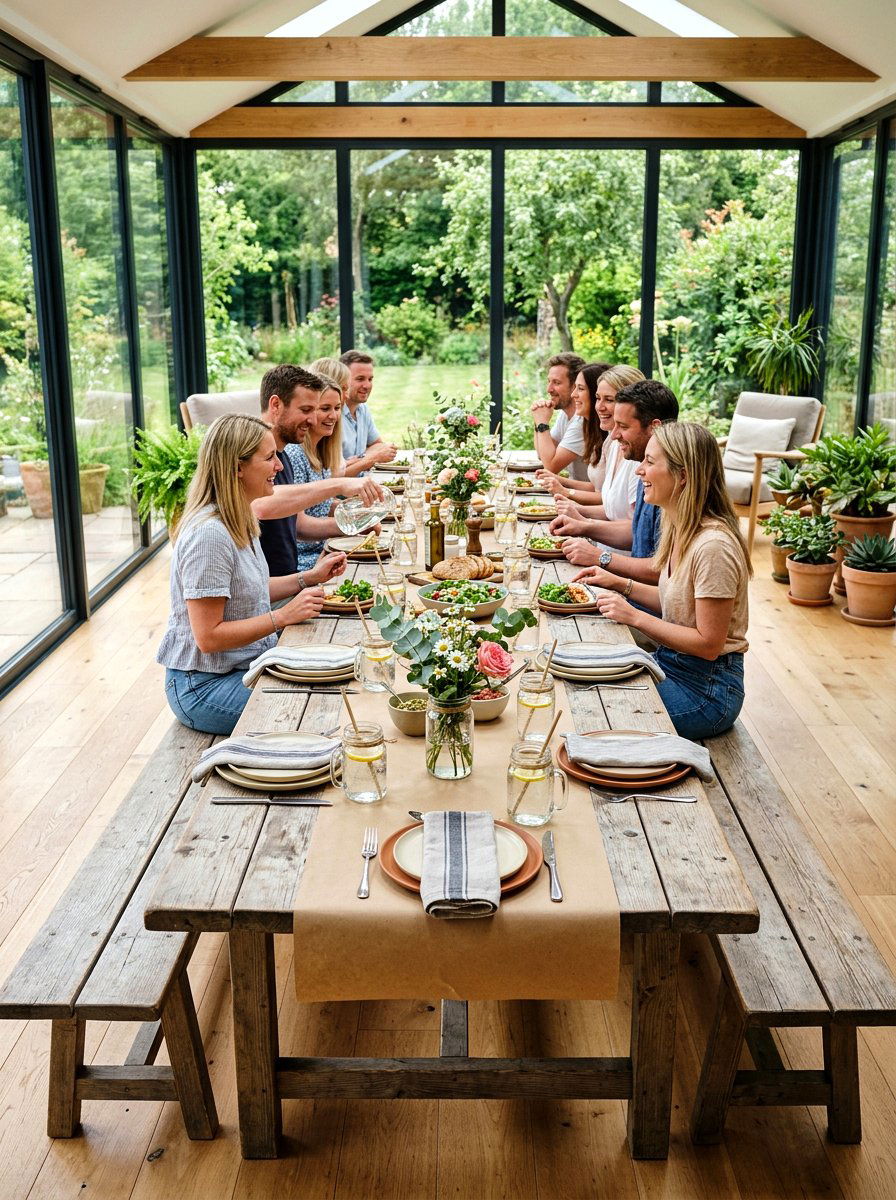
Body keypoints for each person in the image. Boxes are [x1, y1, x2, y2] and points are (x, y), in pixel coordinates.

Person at [158, 414, 342, 736]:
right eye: (269, 458)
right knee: (315, 710)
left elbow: (250, 590)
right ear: (237, 468)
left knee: (331, 687)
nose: (280, 467)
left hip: (242, 667)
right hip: (204, 686)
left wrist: (309, 578)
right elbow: (208, 636)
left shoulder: (238, 516)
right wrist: (282, 617)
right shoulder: (210, 535)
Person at [582, 421, 751, 740]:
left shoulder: (714, 546)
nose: (638, 471)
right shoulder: (681, 527)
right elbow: (680, 603)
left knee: (601, 712)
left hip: (706, 694)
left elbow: (709, 644)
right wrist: (619, 584)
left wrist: (633, 615)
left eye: (650, 462)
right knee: (589, 689)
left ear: (683, 475)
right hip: (668, 665)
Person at [254, 363, 382, 580]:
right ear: (275, 404)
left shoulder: (281, 453)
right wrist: (340, 487)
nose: (313, 420)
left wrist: (356, 519)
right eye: (307, 410)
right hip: (279, 583)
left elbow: (297, 519)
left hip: (289, 576)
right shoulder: (259, 454)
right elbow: (262, 506)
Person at [554, 376, 677, 575]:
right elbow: (638, 535)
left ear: (655, 427)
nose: (613, 435)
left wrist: (599, 556)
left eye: (624, 426)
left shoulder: (669, 482)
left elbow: (663, 573)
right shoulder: (644, 468)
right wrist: (582, 525)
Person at [538, 363, 639, 506]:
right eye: (599, 398)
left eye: (580, 388)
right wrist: (559, 482)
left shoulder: (627, 445)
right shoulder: (610, 439)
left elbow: (550, 464)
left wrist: (541, 422)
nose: (574, 395)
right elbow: (605, 491)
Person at [285, 378, 350, 572]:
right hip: (305, 562)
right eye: (325, 408)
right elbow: (298, 524)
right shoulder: (295, 454)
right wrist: (351, 526)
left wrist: (360, 511)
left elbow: (320, 506)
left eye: (337, 408)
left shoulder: (320, 450)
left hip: (325, 549)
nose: (333, 416)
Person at [530, 352, 589, 481]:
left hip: (587, 498)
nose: (549, 389)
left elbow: (551, 467)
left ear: (575, 386)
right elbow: (542, 454)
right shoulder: (565, 413)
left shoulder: (582, 421)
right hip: (574, 493)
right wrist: (538, 422)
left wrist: (542, 423)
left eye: (556, 383)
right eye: (549, 382)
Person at [338, 350, 397, 475]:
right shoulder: (332, 416)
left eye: (370, 379)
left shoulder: (362, 409)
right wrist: (371, 459)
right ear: (342, 380)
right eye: (360, 379)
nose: (367, 385)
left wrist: (361, 458)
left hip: (362, 486)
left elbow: (378, 445)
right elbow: (335, 475)